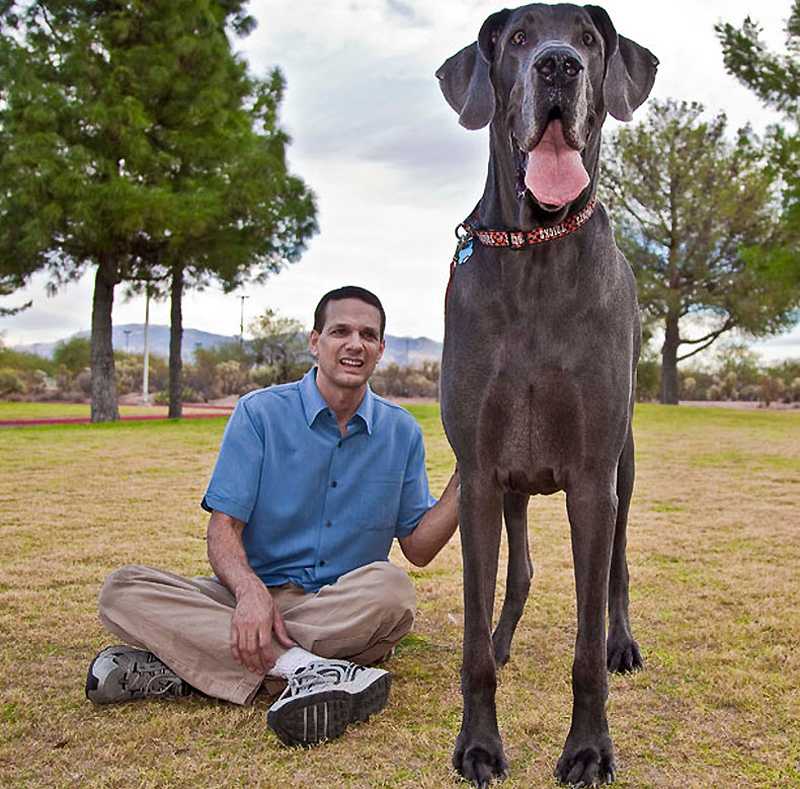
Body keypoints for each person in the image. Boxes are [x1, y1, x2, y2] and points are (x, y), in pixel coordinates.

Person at [85, 285, 460, 746]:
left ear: (381, 349)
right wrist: (249, 594)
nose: (354, 344)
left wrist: (471, 475)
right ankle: (304, 668)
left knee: (393, 590)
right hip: (248, 599)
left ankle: (186, 666)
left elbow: (418, 550)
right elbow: (224, 527)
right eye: (340, 331)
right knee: (122, 590)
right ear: (314, 341)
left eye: (368, 334)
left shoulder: (401, 431)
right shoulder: (259, 414)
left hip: (339, 607)